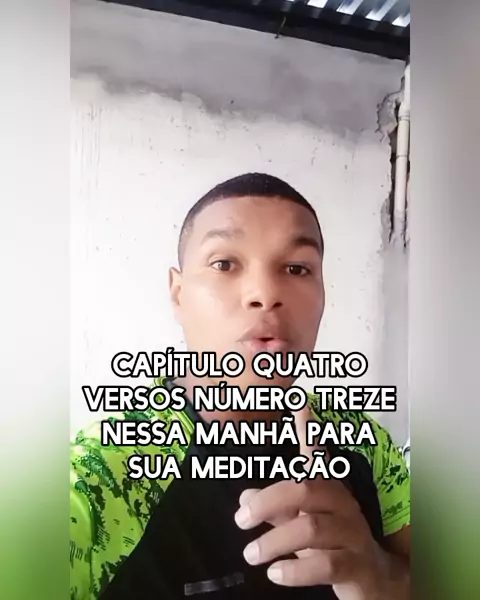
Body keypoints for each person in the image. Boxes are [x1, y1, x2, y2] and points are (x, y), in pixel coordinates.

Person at [70, 173, 410, 600]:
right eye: (224, 264)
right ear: (178, 294)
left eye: (297, 268)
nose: (265, 293)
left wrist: (381, 577)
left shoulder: (367, 445)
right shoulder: (105, 473)